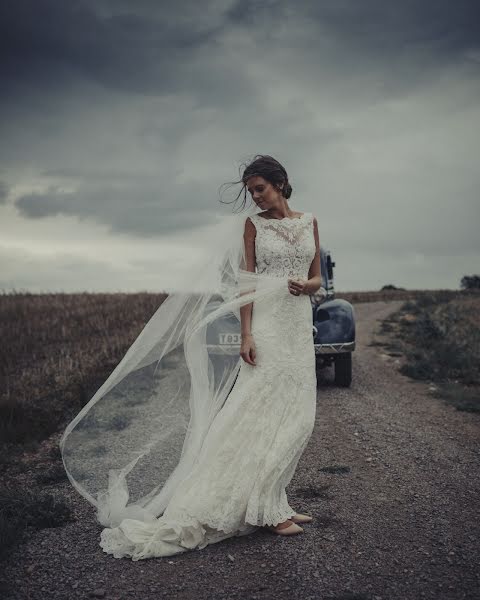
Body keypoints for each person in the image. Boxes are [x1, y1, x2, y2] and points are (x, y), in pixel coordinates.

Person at [60, 154, 322, 560]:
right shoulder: (252, 226)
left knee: (297, 415)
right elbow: (243, 282)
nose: (254, 197)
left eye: (260, 189)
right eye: (250, 191)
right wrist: (246, 334)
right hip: (268, 326)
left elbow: (318, 275)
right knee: (259, 412)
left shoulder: (309, 222)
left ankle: (275, 500)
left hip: (298, 325)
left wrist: (306, 286)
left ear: (281, 182)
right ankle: (265, 512)